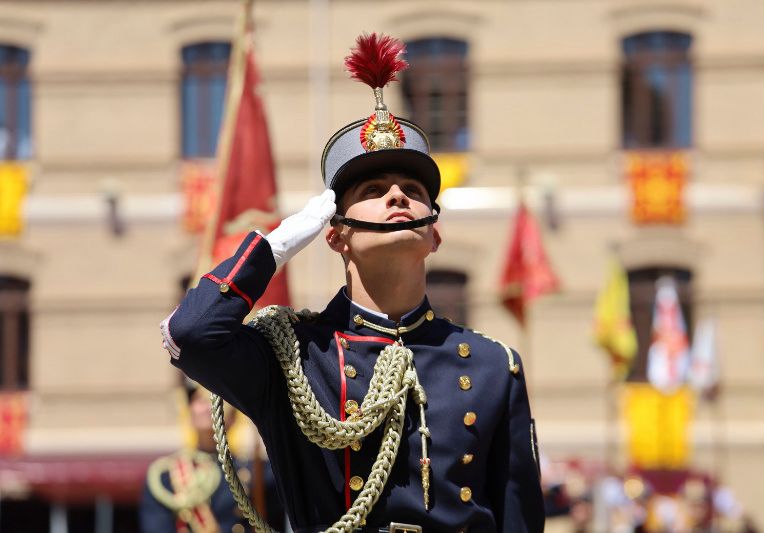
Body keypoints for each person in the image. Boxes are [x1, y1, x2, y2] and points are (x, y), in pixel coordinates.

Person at [161, 33, 545, 532]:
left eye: (412, 190)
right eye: (372, 189)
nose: (397, 196)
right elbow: (190, 334)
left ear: (434, 233)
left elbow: (520, 519)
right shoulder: (294, 358)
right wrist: (276, 246)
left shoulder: (495, 366)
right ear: (336, 233)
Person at [139, 378, 285, 533]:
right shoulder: (166, 476)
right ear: (188, 411)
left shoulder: (257, 471)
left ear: (234, 417)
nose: (208, 407)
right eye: (199, 400)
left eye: (217, 401)